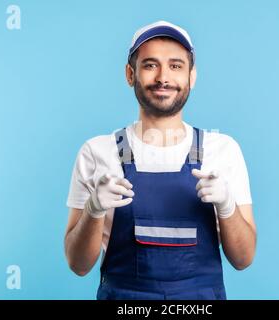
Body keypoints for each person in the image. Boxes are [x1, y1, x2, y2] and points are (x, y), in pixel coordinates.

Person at [64, 20, 256, 300]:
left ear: (192, 76)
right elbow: (78, 265)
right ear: (131, 74)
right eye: (150, 65)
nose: (163, 77)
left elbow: (243, 259)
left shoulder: (223, 150)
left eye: (176, 66)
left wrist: (227, 207)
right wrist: (93, 210)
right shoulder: (97, 152)